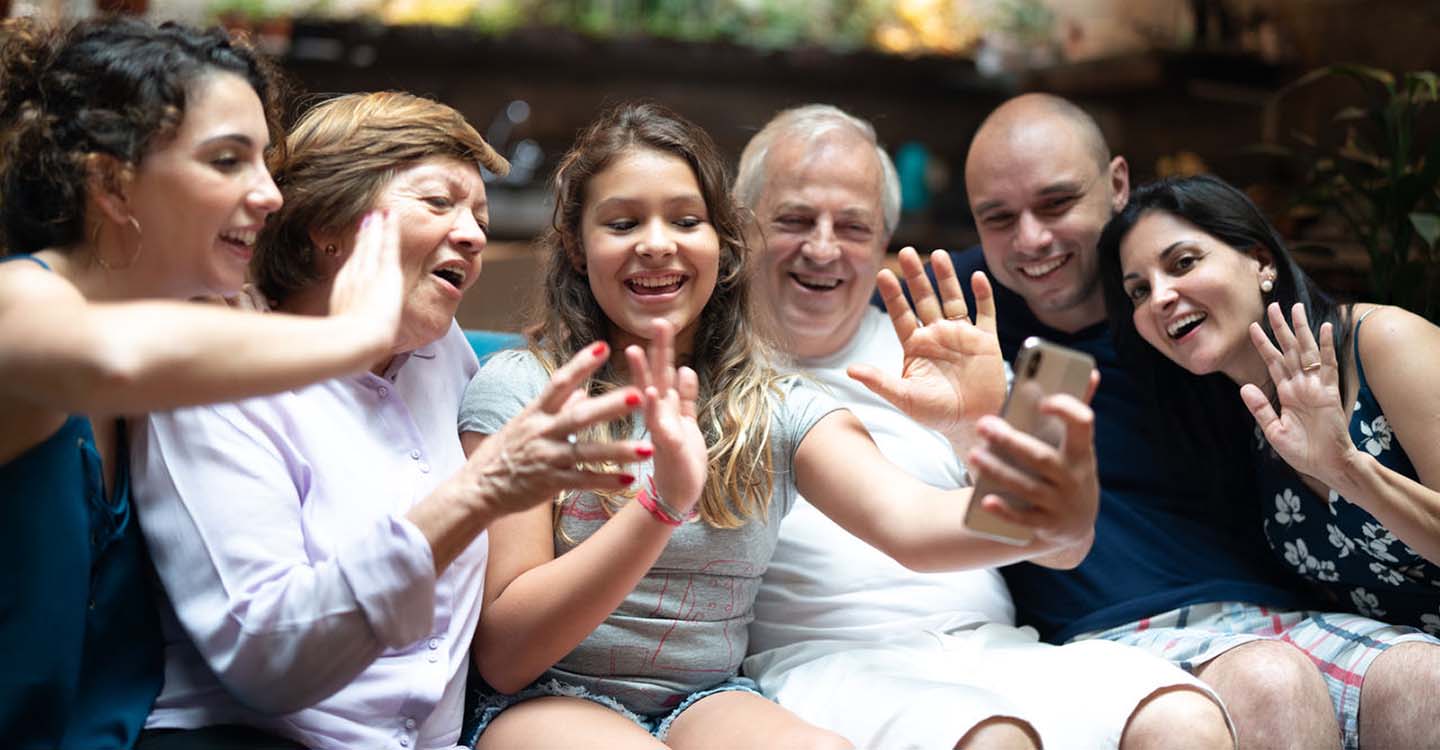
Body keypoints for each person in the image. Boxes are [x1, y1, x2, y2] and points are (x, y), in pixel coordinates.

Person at [459, 101, 1104, 749]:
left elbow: (913, 527)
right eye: (623, 222)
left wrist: (1043, 492)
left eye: (686, 220)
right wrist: (658, 509)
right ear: (576, 242)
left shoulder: (775, 401)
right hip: (548, 698)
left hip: (706, 698)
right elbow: (507, 657)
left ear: (723, 241)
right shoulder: (522, 389)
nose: (657, 243)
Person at [129, 91, 648, 750]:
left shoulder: (442, 355)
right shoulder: (220, 380)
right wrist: (480, 490)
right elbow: (269, 666)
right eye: (438, 203)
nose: (474, 234)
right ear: (328, 226)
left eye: (480, 216)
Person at [736, 104, 1232, 750]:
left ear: (885, 238)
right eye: (795, 220)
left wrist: (976, 425)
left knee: (1185, 720)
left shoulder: (953, 343)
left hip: (995, 648)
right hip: (825, 662)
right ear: (741, 228)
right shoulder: (717, 365)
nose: (824, 248)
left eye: (853, 226)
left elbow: (1061, 545)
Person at [955, 91, 1440, 750]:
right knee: (1275, 680)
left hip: (1295, 620)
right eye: (998, 217)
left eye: (1057, 203)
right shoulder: (961, 316)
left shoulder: (1339, 352)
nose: (1032, 239)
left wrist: (1344, 468)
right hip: (1134, 635)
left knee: (1421, 678)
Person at [0, 18, 406, 749]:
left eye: (267, 164)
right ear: (110, 182)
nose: (271, 196)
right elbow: (110, 361)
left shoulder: (189, 326)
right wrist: (354, 335)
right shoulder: (19, 299)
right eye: (228, 161)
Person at [1101, 174, 1440, 635]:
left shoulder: (1381, 342)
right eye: (1138, 290)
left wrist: (1348, 471)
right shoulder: (1236, 414)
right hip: (1385, 671)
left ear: (1262, 261)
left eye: (1182, 263)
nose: (1159, 297)